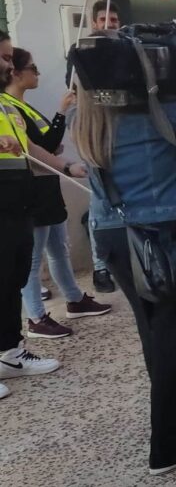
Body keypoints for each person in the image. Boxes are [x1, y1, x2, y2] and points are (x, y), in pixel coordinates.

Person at [72, 51, 176, 473]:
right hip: (168, 235)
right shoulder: (167, 113)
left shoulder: (89, 116)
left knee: (157, 330)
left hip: (114, 232)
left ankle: (174, 405)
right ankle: (175, 445)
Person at [5, 48, 111, 339]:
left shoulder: (23, 105)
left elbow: (46, 145)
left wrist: (62, 161)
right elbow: (39, 144)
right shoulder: (7, 106)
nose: (37, 73)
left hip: (48, 186)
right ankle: (36, 317)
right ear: (15, 72)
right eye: (33, 68)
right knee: (33, 258)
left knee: (58, 249)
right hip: (32, 192)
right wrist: (63, 110)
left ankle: (75, 299)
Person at [0, 30, 80, 399]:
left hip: (16, 207)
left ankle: (11, 355)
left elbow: (31, 147)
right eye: (2, 58)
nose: (7, 65)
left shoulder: (4, 106)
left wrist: (66, 166)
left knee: (11, 279)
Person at [66, 0, 121, 292]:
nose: (109, 24)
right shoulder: (81, 53)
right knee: (100, 200)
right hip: (93, 126)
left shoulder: (127, 50)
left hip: (122, 127)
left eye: (114, 19)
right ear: (93, 23)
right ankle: (101, 268)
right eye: (103, 19)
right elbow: (74, 92)